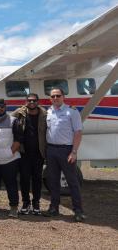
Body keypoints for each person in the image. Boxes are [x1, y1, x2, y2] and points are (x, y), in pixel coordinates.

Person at [43, 88, 85, 222]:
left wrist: (74, 152)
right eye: (53, 96)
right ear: (50, 98)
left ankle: (78, 211)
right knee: (53, 181)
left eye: (58, 95)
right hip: (51, 150)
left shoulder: (71, 112)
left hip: (66, 150)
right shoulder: (48, 112)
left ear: (63, 97)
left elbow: (78, 132)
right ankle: (54, 208)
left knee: (72, 182)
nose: (55, 98)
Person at [11, 93, 47, 215]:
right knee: (24, 179)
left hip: (39, 153)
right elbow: (7, 119)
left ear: (38, 101)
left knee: (37, 179)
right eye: (29, 100)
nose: (32, 103)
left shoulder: (45, 114)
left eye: (34, 100)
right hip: (24, 153)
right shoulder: (19, 113)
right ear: (26, 101)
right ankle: (26, 202)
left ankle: (36, 203)